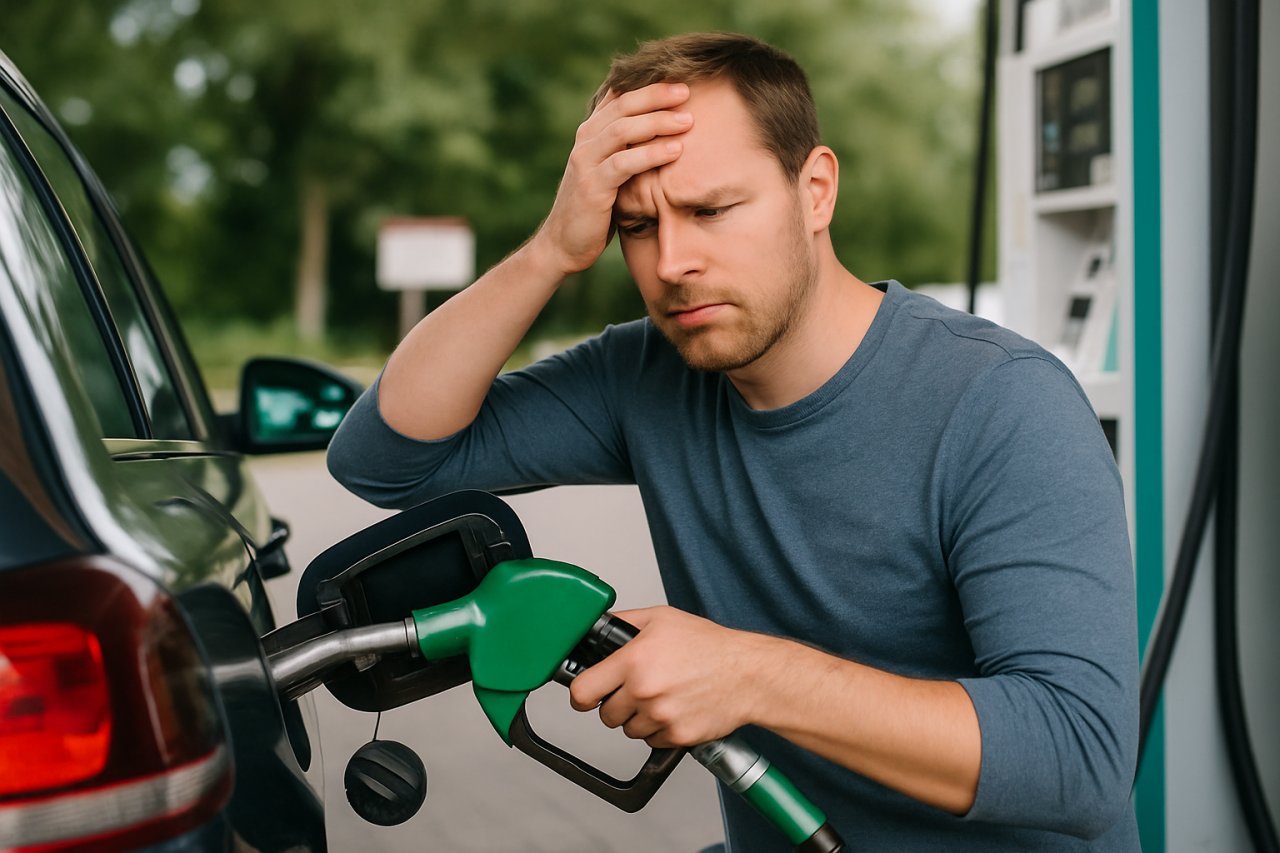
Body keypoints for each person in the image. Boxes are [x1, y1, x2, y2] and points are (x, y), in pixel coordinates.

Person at [327, 32, 1139, 851]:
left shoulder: (1002, 402)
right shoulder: (647, 373)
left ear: (815, 190)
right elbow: (385, 458)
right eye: (637, 226)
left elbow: (1082, 757)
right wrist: (551, 251)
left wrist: (751, 676)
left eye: (711, 210)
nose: (673, 261)